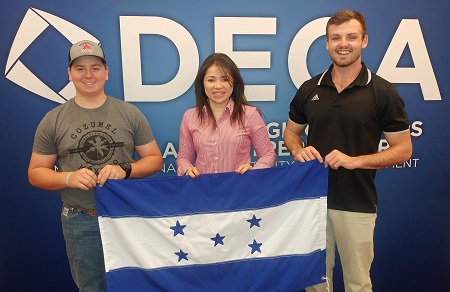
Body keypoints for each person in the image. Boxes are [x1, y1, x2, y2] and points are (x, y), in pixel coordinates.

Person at [284, 9, 412, 292]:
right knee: (315, 282)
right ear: (327, 43)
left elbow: (403, 150)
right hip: (312, 202)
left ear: (364, 41)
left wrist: (354, 161)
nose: (343, 44)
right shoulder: (309, 89)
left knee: (357, 283)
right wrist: (297, 150)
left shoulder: (383, 92)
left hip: (357, 203)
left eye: (351, 37)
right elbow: (291, 133)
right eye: (336, 38)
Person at [28, 40, 163, 291]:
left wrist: (126, 169)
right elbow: (36, 173)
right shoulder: (53, 120)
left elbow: (155, 159)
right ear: (69, 74)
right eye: (80, 68)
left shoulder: (129, 113)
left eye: (95, 68)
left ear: (107, 72)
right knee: (91, 288)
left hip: (126, 215)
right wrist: (68, 178)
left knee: (135, 284)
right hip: (80, 219)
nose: (88, 75)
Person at [177, 53, 276, 177]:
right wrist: (187, 168)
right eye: (211, 80)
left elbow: (268, 154)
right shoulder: (190, 116)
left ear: (234, 82)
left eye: (225, 79)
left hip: (239, 190)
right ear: (202, 83)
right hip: (203, 191)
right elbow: (183, 158)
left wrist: (255, 170)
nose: (218, 86)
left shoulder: (250, 114)